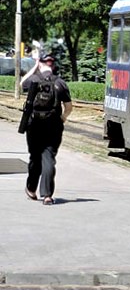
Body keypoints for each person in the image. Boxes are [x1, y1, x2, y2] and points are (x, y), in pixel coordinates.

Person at [21, 55, 73, 205]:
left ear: (40, 64)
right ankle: (47, 195)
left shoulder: (34, 80)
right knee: (48, 158)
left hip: (34, 125)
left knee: (35, 157)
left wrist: (33, 68)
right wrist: (62, 118)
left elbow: (20, 84)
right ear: (53, 66)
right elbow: (68, 107)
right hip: (53, 126)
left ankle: (31, 189)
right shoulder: (60, 83)